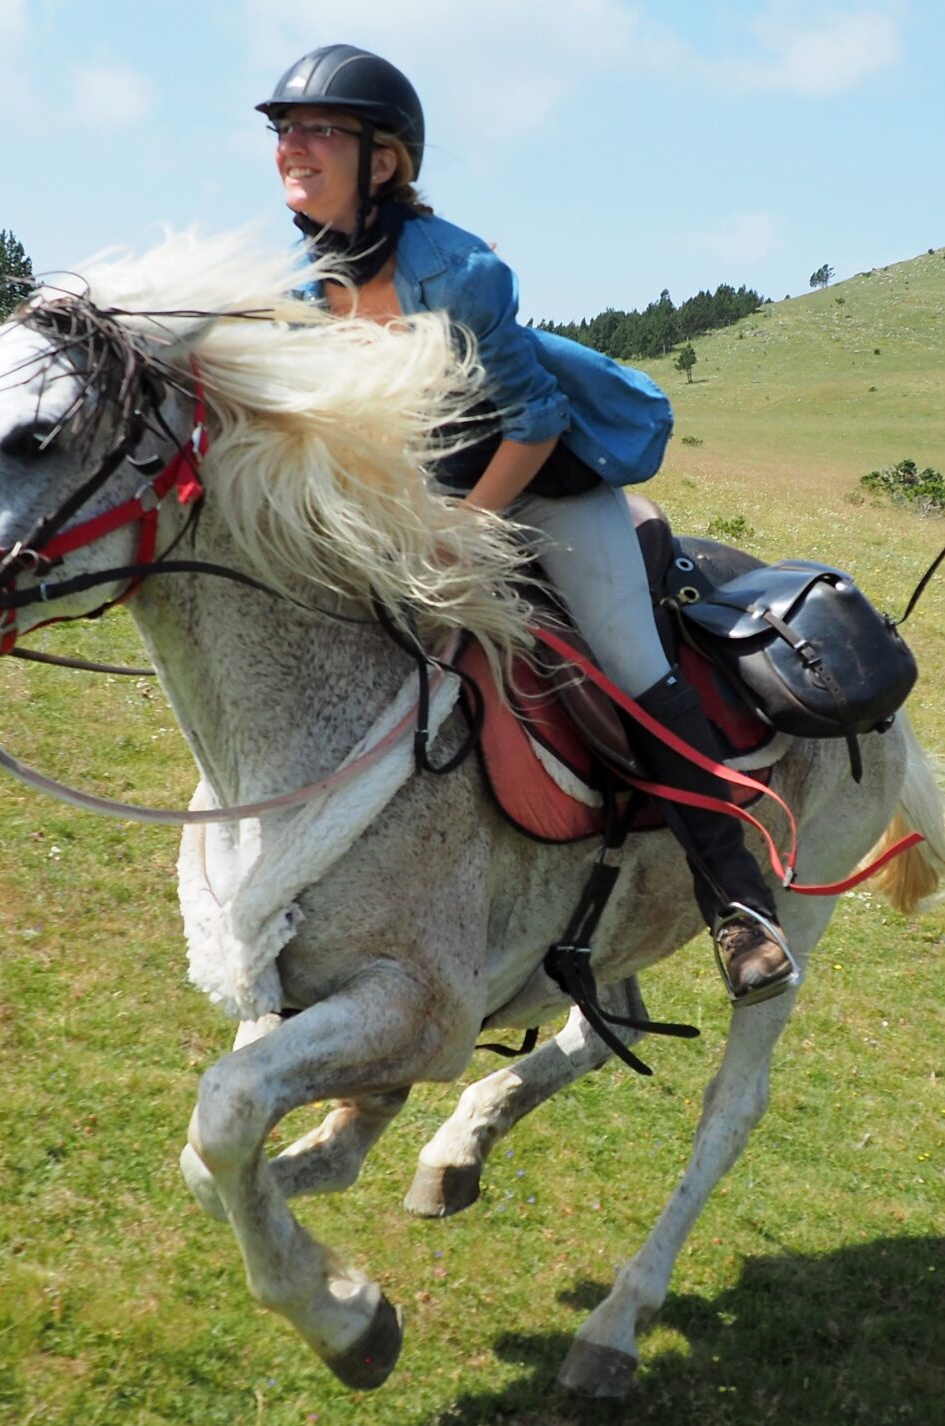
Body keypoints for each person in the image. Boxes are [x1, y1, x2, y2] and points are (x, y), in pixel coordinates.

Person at [257, 45, 796, 1003]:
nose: (292, 146)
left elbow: (536, 423)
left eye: (318, 131)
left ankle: (739, 907)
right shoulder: (300, 283)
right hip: (417, 501)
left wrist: (462, 529)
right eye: (283, 131)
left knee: (634, 665)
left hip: (541, 487)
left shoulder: (459, 271)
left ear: (383, 161)